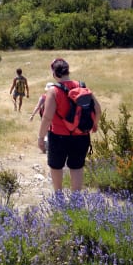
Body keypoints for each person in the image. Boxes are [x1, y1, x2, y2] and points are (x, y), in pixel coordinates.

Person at [37, 57, 101, 193]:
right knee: (77, 167)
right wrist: (94, 125)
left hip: (58, 136)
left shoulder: (53, 91)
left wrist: (41, 137)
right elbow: (98, 109)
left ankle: (59, 196)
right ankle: (76, 198)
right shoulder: (82, 86)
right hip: (81, 134)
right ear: (68, 71)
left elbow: (47, 117)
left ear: (54, 73)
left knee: (56, 166)